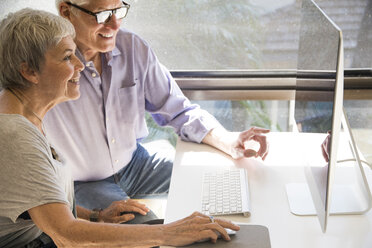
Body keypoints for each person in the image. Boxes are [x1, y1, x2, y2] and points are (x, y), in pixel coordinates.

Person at [0, 8, 240, 247]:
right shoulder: (17, 137)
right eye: (66, 57)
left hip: (123, 172)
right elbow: (67, 234)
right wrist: (169, 234)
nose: (80, 65)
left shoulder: (28, 119)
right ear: (29, 71)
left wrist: (95, 217)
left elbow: (46, 206)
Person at [44, 0, 270, 224]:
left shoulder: (133, 47)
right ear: (66, 11)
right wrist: (88, 214)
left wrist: (229, 140)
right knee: (147, 231)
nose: (115, 25)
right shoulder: (45, 64)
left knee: (218, 178)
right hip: (81, 184)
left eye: (119, 11)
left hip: (136, 163)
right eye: (102, 15)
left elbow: (179, 110)